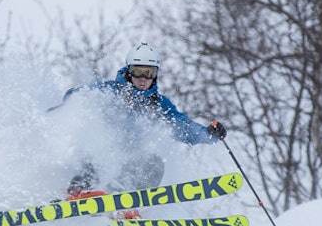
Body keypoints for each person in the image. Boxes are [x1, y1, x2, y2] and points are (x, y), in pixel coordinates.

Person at [52, 42, 226, 195]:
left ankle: (126, 202)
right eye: (138, 72)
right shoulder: (109, 91)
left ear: (155, 75)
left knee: (154, 164)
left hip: (127, 163)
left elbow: (182, 126)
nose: (143, 79)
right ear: (129, 71)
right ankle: (81, 191)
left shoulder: (158, 104)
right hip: (98, 156)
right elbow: (76, 96)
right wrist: (72, 102)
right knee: (99, 152)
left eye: (148, 73)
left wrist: (208, 134)